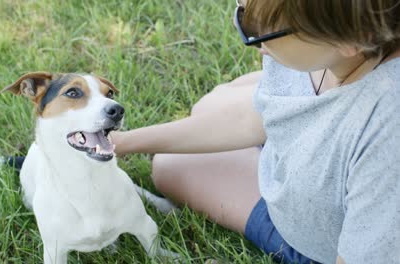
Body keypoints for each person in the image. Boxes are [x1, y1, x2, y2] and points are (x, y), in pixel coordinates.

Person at [110, 0, 400, 263]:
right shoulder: (319, 29)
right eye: (243, 10)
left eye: (260, 31)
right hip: (311, 164)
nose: (250, 36)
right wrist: (122, 142)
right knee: (209, 105)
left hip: (314, 240)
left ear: (349, 40)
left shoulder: (386, 135)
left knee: (169, 166)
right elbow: (256, 117)